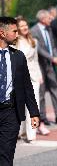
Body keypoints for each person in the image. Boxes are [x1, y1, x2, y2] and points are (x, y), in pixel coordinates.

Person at [0, 16, 40, 165]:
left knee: (6, 156)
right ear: (2, 33)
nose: (17, 34)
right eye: (14, 31)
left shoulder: (18, 56)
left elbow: (26, 87)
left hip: (11, 113)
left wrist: (34, 113)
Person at [31, 10, 57, 125]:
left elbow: (52, 46)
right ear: (43, 19)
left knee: (54, 88)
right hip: (40, 65)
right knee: (42, 92)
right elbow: (39, 49)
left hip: (49, 64)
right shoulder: (34, 31)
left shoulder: (49, 29)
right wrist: (52, 58)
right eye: (49, 18)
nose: (51, 20)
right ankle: (42, 117)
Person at [16, 17, 50, 140]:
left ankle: (31, 135)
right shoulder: (15, 42)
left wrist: (39, 76)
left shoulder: (33, 41)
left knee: (33, 106)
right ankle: (21, 131)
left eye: (26, 25)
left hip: (34, 77)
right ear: (17, 29)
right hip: (19, 78)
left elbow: (35, 60)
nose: (24, 27)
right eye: (21, 26)